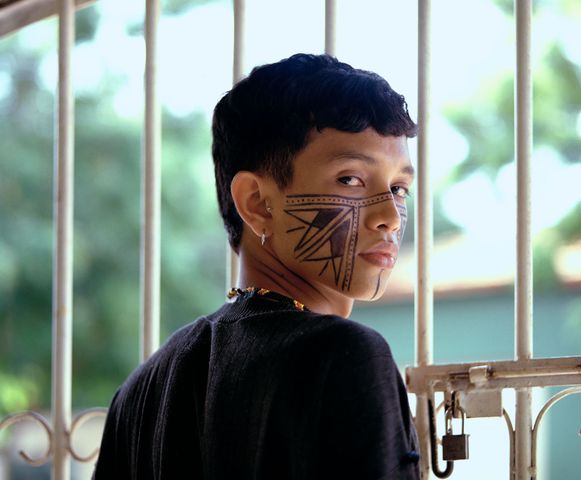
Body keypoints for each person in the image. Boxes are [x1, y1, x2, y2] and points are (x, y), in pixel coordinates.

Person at [94, 53, 420, 479]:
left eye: (398, 188)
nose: (390, 216)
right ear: (257, 203)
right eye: (350, 179)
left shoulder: (139, 394)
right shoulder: (344, 356)